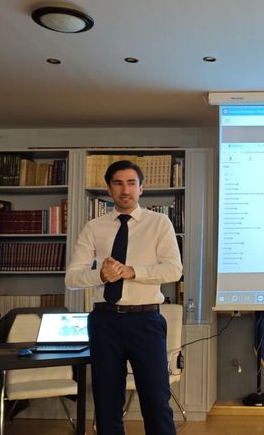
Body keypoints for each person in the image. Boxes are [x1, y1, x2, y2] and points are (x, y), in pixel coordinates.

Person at [65, 160, 182, 435]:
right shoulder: (94, 227)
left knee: (156, 401)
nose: (125, 190)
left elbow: (174, 270)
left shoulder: (159, 223)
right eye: (118, 183)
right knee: (107, 402)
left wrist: (132, 271)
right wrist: (101, 275)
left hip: (146, 320)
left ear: (141, 188)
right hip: (104, 321)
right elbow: (72, 278)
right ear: (109, 189)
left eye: (131, 183)